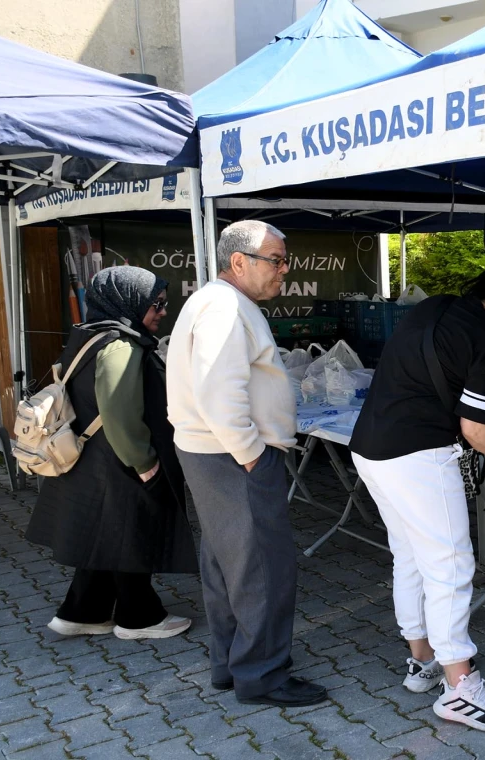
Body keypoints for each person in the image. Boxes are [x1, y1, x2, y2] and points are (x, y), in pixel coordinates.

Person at [349, 263, 485, 733]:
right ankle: (461, 688)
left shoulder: (437, 307)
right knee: (452, 565)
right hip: (418, 455)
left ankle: (422, 663)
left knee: (412, 556)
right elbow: (477, 429)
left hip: (370, 447)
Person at [166, 220, 327, 708]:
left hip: (215, 452)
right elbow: (220, 391)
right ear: (240, 262)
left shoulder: (220, 303)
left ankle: (231, 663)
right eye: (275, 260)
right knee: (261, 567)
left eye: (284, 260)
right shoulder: (224, 307)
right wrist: (252, 453)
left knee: (226, 563)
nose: (284, 270)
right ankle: (262, 675)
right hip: (231, 456)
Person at [27, 266, 196, 640]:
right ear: (129, 302)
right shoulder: (119, 346)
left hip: (96, 460)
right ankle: (139, 618)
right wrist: (145, 462)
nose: (163, 312)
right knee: (129, 535)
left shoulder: (93, 335)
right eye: (157, 304)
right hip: (118, 461)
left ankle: (82, 612)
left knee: (107, 534)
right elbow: (119, 413)